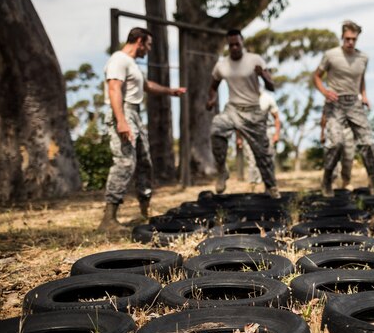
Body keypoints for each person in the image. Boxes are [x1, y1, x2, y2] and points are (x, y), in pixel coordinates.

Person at [98, 27, 186, 234]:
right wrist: (121, 120)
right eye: (148, 44)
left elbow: (147, 86)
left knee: (145, 163)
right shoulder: (118, 59)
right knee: (125, 162)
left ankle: (145, 211)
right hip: (123, 112)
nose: (148, 49)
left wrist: (170, 91)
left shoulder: (132, 65)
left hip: (135, 114)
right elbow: (114, 89)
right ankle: (108, 219)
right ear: (139, 41)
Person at [206, 29, 281, 198]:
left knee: (263, 153)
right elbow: (213, 86)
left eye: (237, 44)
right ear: (228, 45)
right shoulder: (221, 65)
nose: (234, 48)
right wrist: (211, 100)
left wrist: (263, 75)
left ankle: (271, 186)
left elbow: (272, 87)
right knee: (216, 129)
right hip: (232, 109)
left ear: (242, 43)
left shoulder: (255, 60)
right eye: (231, 45)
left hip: (253, 111)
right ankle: (222, 171)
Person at [313, 20, 374, 197]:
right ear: (342, 36)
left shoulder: (363, 58)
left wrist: (364, 95)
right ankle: (327, 180)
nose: (350, 42)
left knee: (367, 142)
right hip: (335, 104)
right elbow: (316, 76)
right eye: (348, 38)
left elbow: (361, 78)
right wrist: (325, 91)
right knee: (336, 143)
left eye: (354, 39)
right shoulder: (331, 55)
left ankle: (373, 181)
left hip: (354, 104)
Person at [237, 91, 281, 191]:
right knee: (252, 160)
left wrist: (276, 134)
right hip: (249, 133)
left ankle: (270, 186)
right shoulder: (243, 99)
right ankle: (253, 185)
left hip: (266, 131)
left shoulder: (267, 98)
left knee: (268, 160)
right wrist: (239, 138)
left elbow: (277, 118)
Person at [320, 113, 355, 190]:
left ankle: (346, 182)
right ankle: (332, 182)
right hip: (333, 128)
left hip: (348, 129)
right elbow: (324, 115)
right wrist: (322, 133)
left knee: (348, 157)